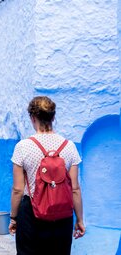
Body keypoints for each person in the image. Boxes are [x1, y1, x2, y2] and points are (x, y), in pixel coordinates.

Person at [9, 96, 85, 254]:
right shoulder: (69, 147)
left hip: (31, 212)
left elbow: (17, 189)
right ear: (53, 117)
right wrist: (79, 219)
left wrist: (14, 218)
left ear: (32, 118)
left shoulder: (22, 147)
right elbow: (75, 189)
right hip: (62, 213)